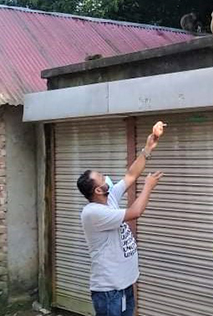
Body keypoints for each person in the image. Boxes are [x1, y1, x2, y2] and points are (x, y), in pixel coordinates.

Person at [76, 126, 164, 316]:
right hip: (109, 291)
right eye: (101, 177)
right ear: (98, 190)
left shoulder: (110, 198)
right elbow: (135, 211)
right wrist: (148, 186)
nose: (106, 177)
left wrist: (148, 149)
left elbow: (131, 175)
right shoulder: (93, 213)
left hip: (124, 285)